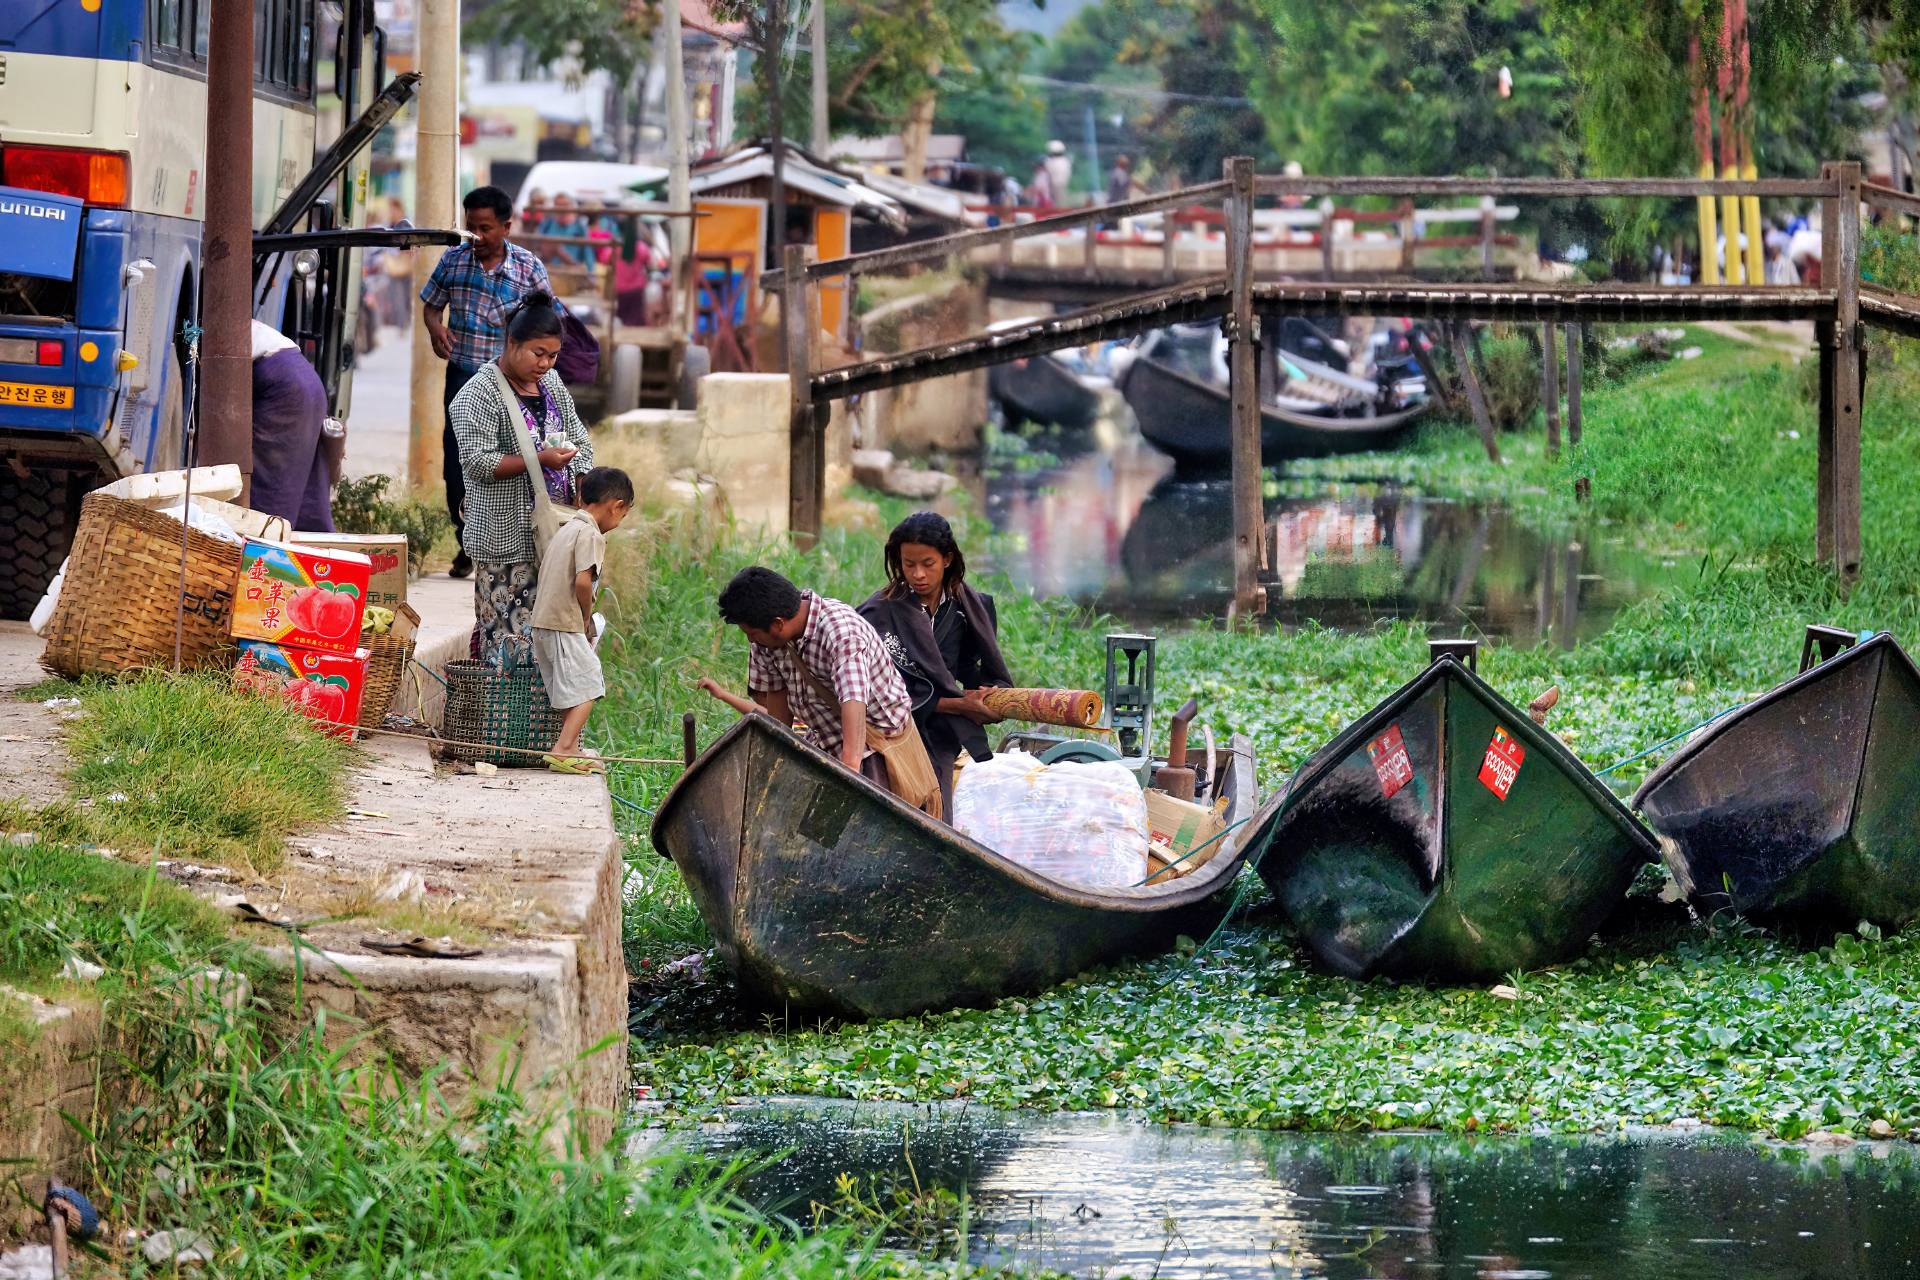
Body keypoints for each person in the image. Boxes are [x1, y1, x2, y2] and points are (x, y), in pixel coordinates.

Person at [698, 567, 942, 818]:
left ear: (778, 624)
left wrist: (849, 774)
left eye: (752, 634)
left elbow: (854, 702)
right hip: (827, 742)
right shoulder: (766, 643)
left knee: (867, 830)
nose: (751, 641)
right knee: (815, 834)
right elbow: (778, 720)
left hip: (874, 746)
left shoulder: (840, 631)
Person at [448, 291, 593, 662]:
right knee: (507, 648)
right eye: (538, 353)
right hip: (505, 544)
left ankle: (542, 721)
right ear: (512, 343)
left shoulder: (553, 385)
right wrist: (540, 460)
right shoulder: (477, 395)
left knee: (551, 647)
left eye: (553, 355)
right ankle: (502, 720)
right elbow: (479, 463)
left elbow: (580, 439)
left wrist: (580, 482)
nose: (546, 363)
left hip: (555, 538)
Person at [420, 185, 553, 579]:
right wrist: (435, 330)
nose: (476, 237)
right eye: (470, 227)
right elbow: (431, 305)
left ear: (506, 227)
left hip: (514, 382)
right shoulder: (454, 261)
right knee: (459, 463)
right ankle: (467, 544)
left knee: (511, 462)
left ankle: (509, 547)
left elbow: (548, 325)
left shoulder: (530, 269)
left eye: (485, 228)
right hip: (463, 377)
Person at [858, 512, 1013, 817]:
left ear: (947, 559)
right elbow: (875, 692)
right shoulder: (879, 613)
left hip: (938, 734)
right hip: (886, 734)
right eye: (908, 564)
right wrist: (959, 706)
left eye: (927, 564)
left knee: (937, 817)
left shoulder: (968, 609)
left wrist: (986, 699)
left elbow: (968, 669)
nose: (917, 575)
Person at [530, 466, 634, 775]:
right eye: (623, 514)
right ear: (616, 506)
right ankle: (563, 750)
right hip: (564, 621)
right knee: (589, 682)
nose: (620, 521)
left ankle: (571, 746)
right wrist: (586, 616)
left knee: (570, 687)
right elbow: (582, 582)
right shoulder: (591, 534)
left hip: (544, 622)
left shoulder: (567, 528)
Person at [248, 320, 336, 531]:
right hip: (309, 383)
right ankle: (316, 558)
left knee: (268, 499)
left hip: (286, 391)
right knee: (305, 490)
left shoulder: (210, 326)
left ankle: (265, 559)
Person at [1044, 140, 1073, 206]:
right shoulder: (1066, 161)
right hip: (1063, 186)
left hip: (1055, 186)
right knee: (1062, 203)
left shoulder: (1050, 162)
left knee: (1058, 205)